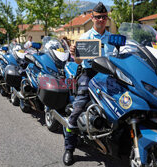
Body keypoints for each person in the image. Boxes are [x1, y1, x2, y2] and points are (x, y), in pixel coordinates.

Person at [63, 2, 115, 166]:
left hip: (110, 75)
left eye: (104, 17)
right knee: (77, 110)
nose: (101, 19)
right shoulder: (85, 37)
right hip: (89, 75)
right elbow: (78, 60)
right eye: (98, 17)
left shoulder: (112, 37)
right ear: (92, 18)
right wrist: (74, 54)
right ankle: (69, 148)